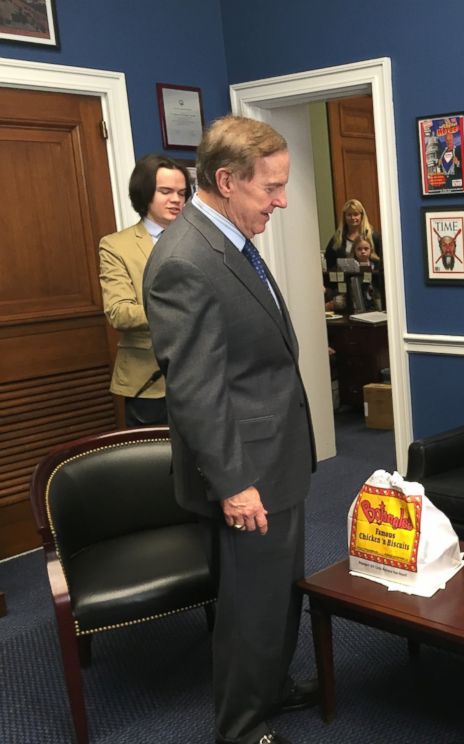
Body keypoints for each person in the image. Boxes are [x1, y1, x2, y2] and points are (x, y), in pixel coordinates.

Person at [144, 115, 317, 744]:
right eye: (270, 187)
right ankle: (242, 725)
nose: (281, 200)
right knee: (249, 605)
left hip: (277, 456)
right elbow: (195, 388)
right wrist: (236, 483)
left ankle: (270, 686)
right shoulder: (185, 259)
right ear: (225, 180)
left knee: (280, 590)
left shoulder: (231, 239)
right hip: (246, 470)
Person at [98, 154, 190, 426]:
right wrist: (176, 311)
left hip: (200, 378)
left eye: (182, 193)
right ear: (145, 193)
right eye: (166, 191)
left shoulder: (198, 242)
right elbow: (118, 313)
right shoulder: (116, 246)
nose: (176, 199)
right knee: (155, 465)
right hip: (148, 383)